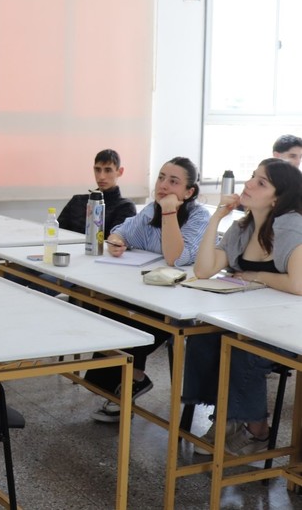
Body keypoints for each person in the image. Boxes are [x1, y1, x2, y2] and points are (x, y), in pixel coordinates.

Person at [183, 158, 302, 456]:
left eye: (260, 182)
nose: (248, 184)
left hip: (289, 327)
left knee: (242, 350)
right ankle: (225, 419)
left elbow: (297, 285)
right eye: (252, 177)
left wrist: (256, 275)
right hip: (252, 318)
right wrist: (217, 219)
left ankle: (256, 430)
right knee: (203, 336)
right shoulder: (243, 226)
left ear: (278, 197)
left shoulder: (293, 227)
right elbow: (204, 270)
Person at [88, 156, 211, 422]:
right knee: (107, 309)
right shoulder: (149, 209)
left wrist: (169, 212)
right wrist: (117, 240)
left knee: (129, 317)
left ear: (189, 192)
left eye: (174, 182)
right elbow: (122, 230)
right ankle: (130, 380)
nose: (164, 186)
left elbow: (175, 258)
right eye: (161, 178)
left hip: (179, 301)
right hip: (147, 290)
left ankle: (130, 381)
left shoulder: (200, 216)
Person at [57, 148, 137, 235]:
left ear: (120, 172)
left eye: (108, 170)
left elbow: (115, 242)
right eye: (98, 170)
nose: (101, 176)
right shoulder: (77, 201)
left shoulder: (125, 207)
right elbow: (57, 233)